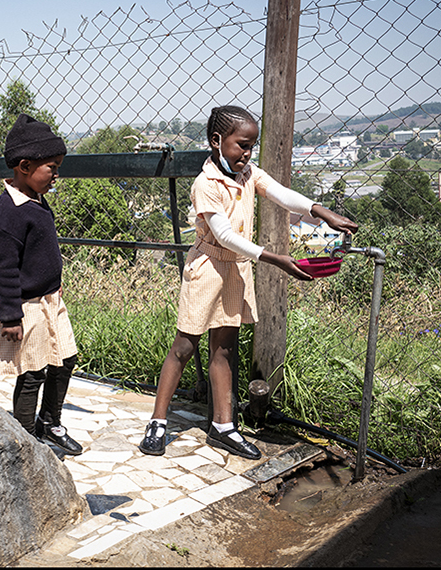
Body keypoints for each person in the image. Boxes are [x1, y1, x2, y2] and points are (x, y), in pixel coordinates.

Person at [138, 105, 358, 459]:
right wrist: (275, 260)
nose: (247, 153)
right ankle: (158, 422)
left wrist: (320, 211)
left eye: (251, 147)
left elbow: (280, 193)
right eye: (242, 145)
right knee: (185, 346)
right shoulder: (206, 184)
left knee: (224, 348)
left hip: (237, 270)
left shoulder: (248, 173)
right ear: (216, 141)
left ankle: (223, 427)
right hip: (208, 267)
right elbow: (224, 236)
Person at [0, 113, 84, 456]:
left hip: (50, 301)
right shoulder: (8, 215)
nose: (56, 175)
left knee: (64, 359)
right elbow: (5, 270)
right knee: (32, 372)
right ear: (25, 166)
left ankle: (50, 422)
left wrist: (54, 285)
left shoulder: (36, 200)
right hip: (24, 307)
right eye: (52, 168)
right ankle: (26, 439)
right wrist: (10, 316)